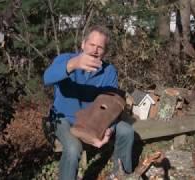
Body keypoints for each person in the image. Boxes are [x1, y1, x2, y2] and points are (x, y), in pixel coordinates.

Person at [43, 25, 134, 180]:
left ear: (104, 51)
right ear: (83, 44)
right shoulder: (66, 59)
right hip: (62, 118)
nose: (95, 50)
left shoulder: (109, 71)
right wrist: (73, 65)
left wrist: (108, 130)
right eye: (92, 45)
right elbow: (47, 78)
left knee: (126, 130)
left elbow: (111, 105)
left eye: (100, 47)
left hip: (94, 120)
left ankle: (120, 174)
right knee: (73, 148)